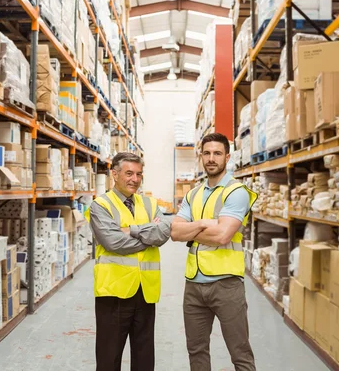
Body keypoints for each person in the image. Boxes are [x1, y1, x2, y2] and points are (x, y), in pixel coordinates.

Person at [171, 132, 258, 371]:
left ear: (227, 157)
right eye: (207, 153)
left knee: (240, 354)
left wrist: (191, 229)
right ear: (200, 156)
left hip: (226, 285)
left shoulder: (236, 192)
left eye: (217, 153)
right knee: (196, 351)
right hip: (194, 285)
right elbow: (175, 232)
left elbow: (222, 236)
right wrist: (203, 224)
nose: (211, 158)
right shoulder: (193, 193)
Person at [87, 152, 171, 371]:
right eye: (129, 173)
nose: (135, 179)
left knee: (144, 356)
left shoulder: (150, 204)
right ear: (115, 174)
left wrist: (131, 231)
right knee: (109, 357)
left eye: (139, 174)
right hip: (114, 292)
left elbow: (163, 232)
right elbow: (114, 243)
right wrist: (148, 237)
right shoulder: (101, 205)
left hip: (145, 290)